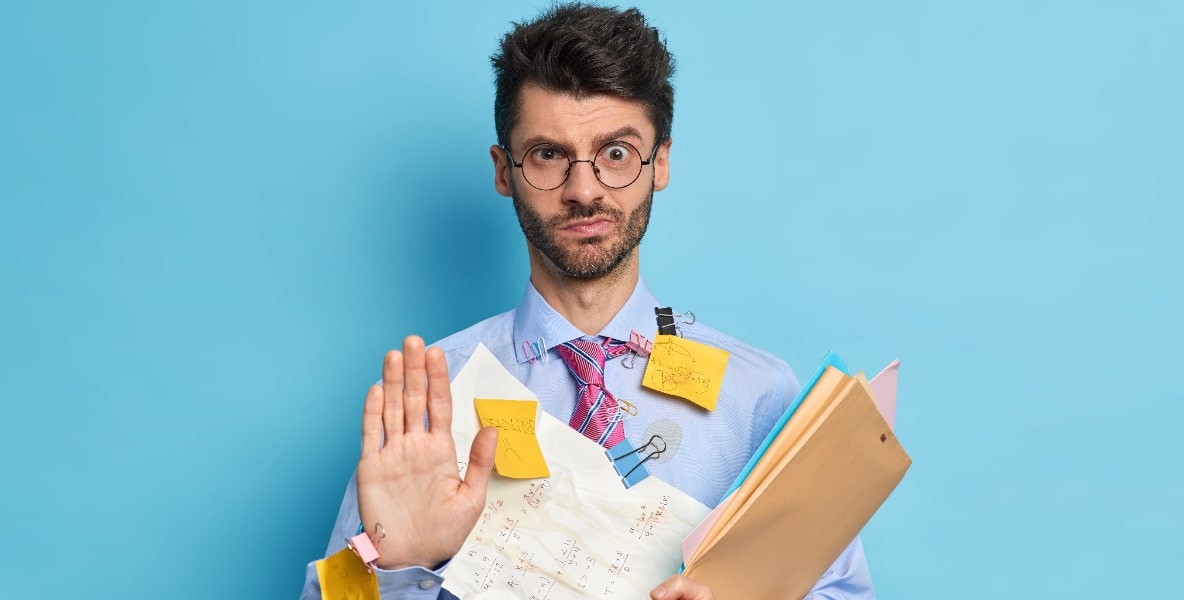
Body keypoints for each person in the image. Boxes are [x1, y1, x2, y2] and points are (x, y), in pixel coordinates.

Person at [300, 4, 873, 598]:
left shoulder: (758, 398)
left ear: (662, 163)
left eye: (617, 153)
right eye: (549, 154)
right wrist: (397, 564)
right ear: (504, 170)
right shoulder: (427, 402)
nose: (584, 189)